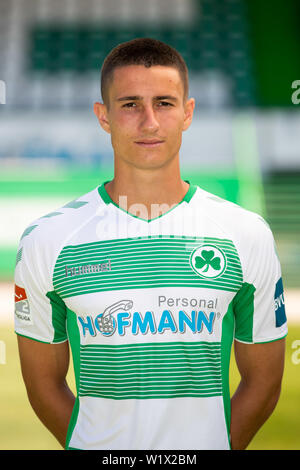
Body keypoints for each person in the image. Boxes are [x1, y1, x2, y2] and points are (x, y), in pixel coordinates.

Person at [14, 37, 288, 451]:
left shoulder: (244, 233)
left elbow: (264, 384)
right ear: (103, 116)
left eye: (164, 103)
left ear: (187, 113)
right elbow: (42, 385)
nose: (149, 122)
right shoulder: (48, 240)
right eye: (129, 105)